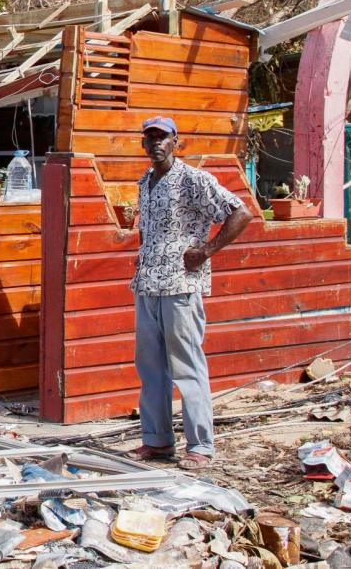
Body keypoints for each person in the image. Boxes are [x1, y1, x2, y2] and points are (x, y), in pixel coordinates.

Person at [126, 116, 252, 470]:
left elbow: (240, 213)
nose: (155, 144)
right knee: (150, 368)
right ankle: (157, 441)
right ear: (143, 144)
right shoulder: (145, 182)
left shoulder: (193, 179)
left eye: (162, 138)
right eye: (149, 137)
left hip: (181, 284)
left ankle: (200, 446)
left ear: (175, 142)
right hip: (148, 284)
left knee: (187, 366)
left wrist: (207, 250)